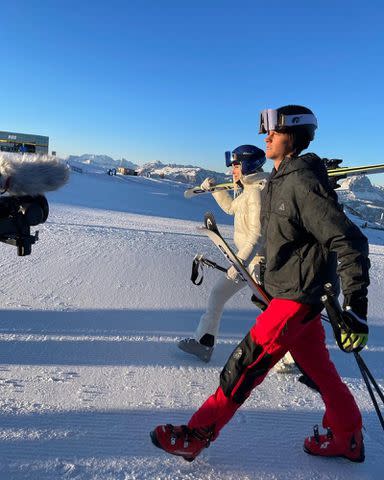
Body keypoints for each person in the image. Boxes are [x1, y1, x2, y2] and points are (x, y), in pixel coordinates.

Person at [150, 105, 370, 463]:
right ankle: (348, 435)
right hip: (288, 294)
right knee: (322, 373)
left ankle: (197, 434)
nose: (266, 136)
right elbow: (279, 240)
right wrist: (266, 280)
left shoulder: (302, 183)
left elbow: (349, 241)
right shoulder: (278, 182)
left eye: (274, 131)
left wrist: (356, 307)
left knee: (244, 365)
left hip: (296, 300)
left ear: (293, 136)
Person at [178, 144, 269, 362]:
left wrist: (239, 264)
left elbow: (258, 235)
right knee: (218, 294)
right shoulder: (249, 189)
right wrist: (216, 189)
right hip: (245, 260)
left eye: (235, 165)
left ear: (247, 164)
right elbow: (231, 208)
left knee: (272, 314)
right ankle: (204, 343)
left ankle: (290, 359)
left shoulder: (257, 192)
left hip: (259, 263)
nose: (232, 170)